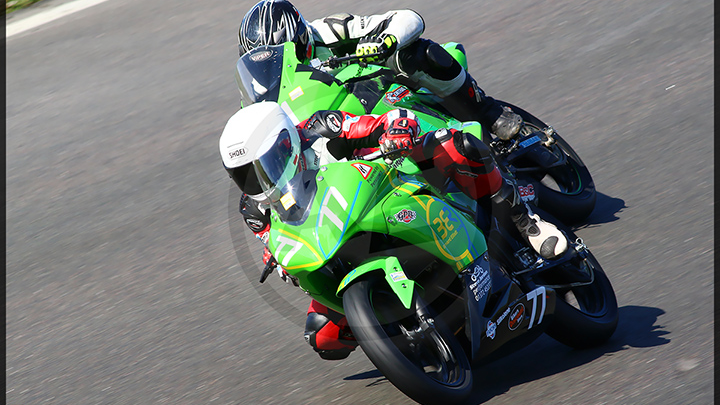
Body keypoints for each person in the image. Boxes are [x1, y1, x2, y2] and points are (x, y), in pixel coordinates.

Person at [220, 101, 568, 360]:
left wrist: (396, 132)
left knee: (460, 146)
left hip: (387, 190)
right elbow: (276, 243)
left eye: (262, 167)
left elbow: (390, 118)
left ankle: (527, 222)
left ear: (285, 143)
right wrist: (279, 259)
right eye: (246, 174)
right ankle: (403, 339)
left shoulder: (319, 129)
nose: (258, 181)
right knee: (323, 338)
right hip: (333, 244)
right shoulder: (254, 208)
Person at [236, 0, 524, 141]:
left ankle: (487, 111)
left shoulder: (330, 29)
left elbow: (407, 18)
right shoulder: (259, 89)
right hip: (331, 123)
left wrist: (386, 41)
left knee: (416, 54)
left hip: (376, 88)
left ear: (301, 35)